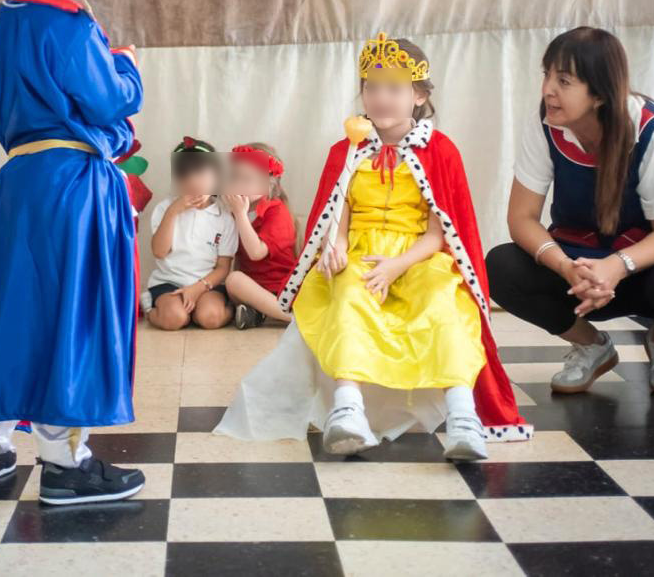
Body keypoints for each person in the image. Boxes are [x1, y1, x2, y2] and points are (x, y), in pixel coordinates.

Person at [217, 34, 529, 461]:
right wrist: (336, 246)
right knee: (347, 296)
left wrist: (397, 265)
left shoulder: (439, 151)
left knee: (444, 304)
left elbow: (442, 232)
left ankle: (462, 414)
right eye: (371, 87)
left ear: (418, 95)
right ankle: (348, 408)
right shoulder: (347, 151)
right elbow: (336, 211)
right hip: (362, 252)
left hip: (417, 255)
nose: (381, 98)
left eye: (394, 89)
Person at [0, 0, 145, 505]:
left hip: (16, 184)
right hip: (71, 187)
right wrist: (127, 68)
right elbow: (111, 101)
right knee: (76, 314)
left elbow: (4, 102)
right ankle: (67, 462)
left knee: (13, 313)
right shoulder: (70, 26)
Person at [486, 26, 654, 396]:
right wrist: (567, 266)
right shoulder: (547, 125)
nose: (548, 89)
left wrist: (616, 267)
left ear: (599, 93)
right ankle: (591, 346)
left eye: (563, 80)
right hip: (584, 265)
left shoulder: (650, 131)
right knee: (501, 266)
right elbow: (521, 218)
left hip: (651, 264)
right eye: (547, 74)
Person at [146, 137, 238, 331]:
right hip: (168, 282)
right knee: (174, 319)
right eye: (184, 175)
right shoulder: (165, 209)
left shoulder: (224, 217)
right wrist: (173, 212)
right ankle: (149, 306)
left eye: (201, 174)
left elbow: (223, 267)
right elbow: (159, 252)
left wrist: (198, 288)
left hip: (206, 284)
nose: (193, 181)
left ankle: (233, 310)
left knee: (210, 318)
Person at [224, 143, 298, 329]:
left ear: (268, 184)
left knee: (234, 280)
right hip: (253, 286)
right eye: (235, 178)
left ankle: (293, 319)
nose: (239, 185)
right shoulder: (237, 211)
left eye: (247, 180)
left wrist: (240, 214)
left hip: (279, 287)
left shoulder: (277, 212)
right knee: (230, 284)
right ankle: (257, 313)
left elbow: (256, 253)